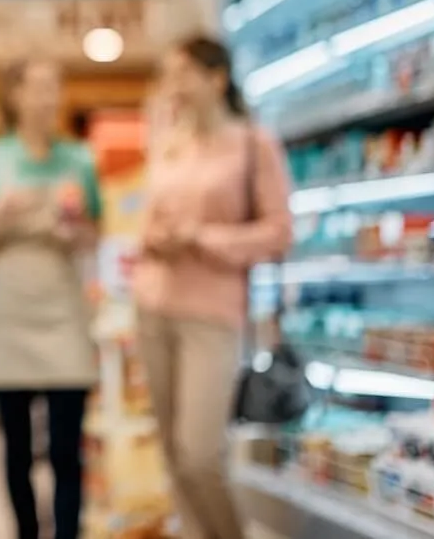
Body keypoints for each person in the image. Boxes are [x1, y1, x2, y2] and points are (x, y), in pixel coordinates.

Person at [133, 36, 292, 539]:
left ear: (216, 78)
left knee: (201, 452)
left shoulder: (253, 144)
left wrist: (202, 238)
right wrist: (156, 239)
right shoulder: (171, 142)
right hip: (154, 306)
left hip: (212, 312)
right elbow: (149, 221)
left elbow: (279, 232)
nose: (172, 86)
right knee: (175, 456)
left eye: (182, 74)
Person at [0, 59, 102, 539]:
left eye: (55, 88)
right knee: (15, 446)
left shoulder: (79, 160)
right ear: (14, 96)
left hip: (63, 312)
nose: (49, 99)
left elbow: (95, 236)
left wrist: (70, 228)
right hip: (8, 315)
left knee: (65, 449)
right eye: (39, 89)